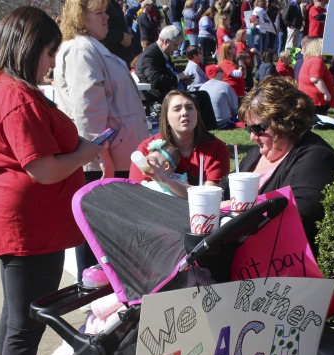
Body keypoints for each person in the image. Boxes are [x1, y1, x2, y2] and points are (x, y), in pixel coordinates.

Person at [0, 6, 103, 355]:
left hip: (25, 220)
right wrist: (86, 150)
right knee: (23, 326)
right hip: (27, 225)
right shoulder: (14, 95)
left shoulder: (2, 87)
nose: (51, 61)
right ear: (30, 48)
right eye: (49, 51)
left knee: (16, 322)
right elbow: (43, 169)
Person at [55, 0, 150, 281]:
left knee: (109, 242)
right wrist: (100, 158)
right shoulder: (81, 50)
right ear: (80, 17)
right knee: (101, 246)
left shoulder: (90, 48)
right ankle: (98, 306)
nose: (106, 17)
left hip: (114, 157)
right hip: (108, 162)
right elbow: (88, 112)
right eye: (99, 13)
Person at [230, 75, 334, 251]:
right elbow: (223, 190)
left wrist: (231, 206)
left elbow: (297, 217)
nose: (252, 137)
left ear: (285, 122)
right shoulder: (258, 154)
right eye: (248, 128)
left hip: (285, 263)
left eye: (258, 128)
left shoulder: (317, 159)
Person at [128, 89, 229, 194]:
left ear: (197, 114)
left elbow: (210, 195)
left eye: (189, 108)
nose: (184, 112)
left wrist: (167, 181)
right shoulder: (146, 150)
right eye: (177, 109)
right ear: (166, 118)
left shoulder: (216, 149)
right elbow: (137, 195)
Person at [135, 25, 193, 101]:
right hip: (159, 97)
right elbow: (155, 80)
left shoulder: (163, 52)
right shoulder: (150, 55)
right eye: (176, 45)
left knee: (202, 95)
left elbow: (168, 73)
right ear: (166, 42)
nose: (177, 49)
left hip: (170, 92)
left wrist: (182, 80)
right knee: (198, 98)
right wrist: (178, 77)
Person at [297, 37, 334, 115]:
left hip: (310, 98)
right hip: (315, 100)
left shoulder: (309, 59)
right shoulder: (316, 61)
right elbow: (316, 79)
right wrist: (326, 93)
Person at [200, 64, 239, 128]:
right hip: (224, 123)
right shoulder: (225, 86)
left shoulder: (202, 87)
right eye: (220, 70)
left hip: (207, 124)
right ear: (215, 73)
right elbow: (235, 107)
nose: (223, 72)